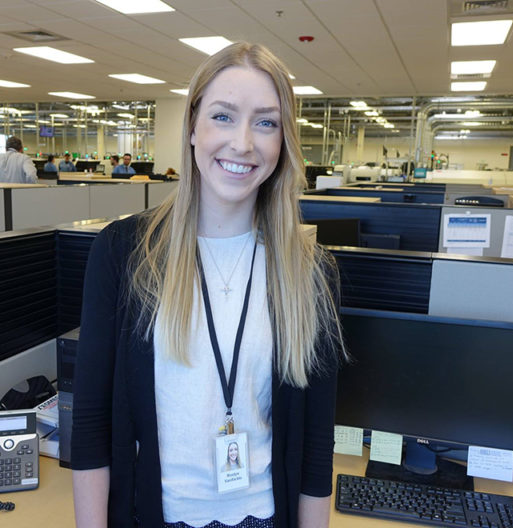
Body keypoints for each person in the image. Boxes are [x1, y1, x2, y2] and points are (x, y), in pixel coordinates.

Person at [71, 42, 344, 528]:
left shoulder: (309, 272)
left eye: (266, 122)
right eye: (223, 116)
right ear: (193, 127)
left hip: (263, 516)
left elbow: (316, 447)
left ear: (283, 143)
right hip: (155, 516)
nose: (243, 143)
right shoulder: (124, 252)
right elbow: (91, 424)